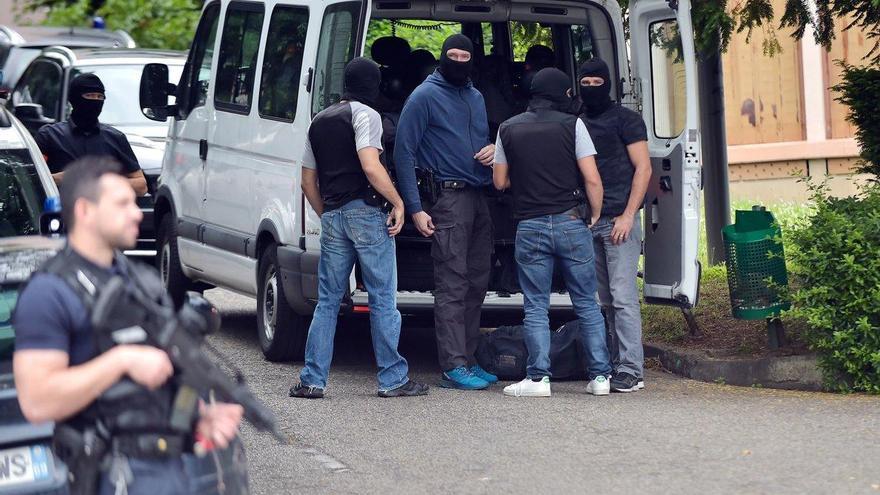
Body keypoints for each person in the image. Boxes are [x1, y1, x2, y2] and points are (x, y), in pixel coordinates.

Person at [12, 157, 243, 494]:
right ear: (85, 212)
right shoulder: (49, 292)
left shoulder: (142, 281)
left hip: (170, 471)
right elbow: (38, 402)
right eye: (122, 204)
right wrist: (121, 360)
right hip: (110, 476)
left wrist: (199, 418)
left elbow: (160, 378)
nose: (137, 213)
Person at [290, 57, 429, 399]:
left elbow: (308, 182)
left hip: (334, 214)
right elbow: (370, 165)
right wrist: (399, 203)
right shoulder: (366, 115)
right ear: (373, 85)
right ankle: (393, 378)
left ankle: (312, 380)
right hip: (366, 213)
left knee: (327, 302)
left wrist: (329, 213)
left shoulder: (318, 120)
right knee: (382, 297)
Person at [492, 68, 612, 397]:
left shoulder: (508, 128)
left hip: (530, 226)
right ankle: (601, 377)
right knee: (587, 303)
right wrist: (595, 213)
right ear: (563, 93)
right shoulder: (574, 125)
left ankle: (538, 378)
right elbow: (592, 178)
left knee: (535, 306)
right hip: (571, 221)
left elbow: (500, 182)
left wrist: (528, 180)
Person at [394, 34, 498, 390]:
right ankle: (453, 365)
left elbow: (478, 141)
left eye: (464, 56)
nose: (458, 60)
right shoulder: (424, 96)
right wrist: (415, 208)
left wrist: (494, 150)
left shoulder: (476, 97)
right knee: (452, 283)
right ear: (442, 57)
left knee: (477, 281)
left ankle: (468, 358)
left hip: (479, 196)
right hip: (447, 199)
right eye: (451, 55)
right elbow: (403, 154)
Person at [578, 58, 652, 393]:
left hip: (619, 220)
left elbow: (644, 169)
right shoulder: (575, 121)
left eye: (597, 82)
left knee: (622, 297)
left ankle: (631, 370)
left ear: (608, 83)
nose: (591, 88)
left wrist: (627, 215)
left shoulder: (627, 120)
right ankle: (607, 365)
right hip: (589, 221)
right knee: (601, 299)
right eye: (585, 82)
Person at [34, 73, 148, 196]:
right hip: (61, 211)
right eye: (89, 96)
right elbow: (29, 181)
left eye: (100, 97)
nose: (95, 101)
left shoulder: (115, 138)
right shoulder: (49, 136)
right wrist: (61, 179)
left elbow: (141, 186)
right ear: (74, 98)